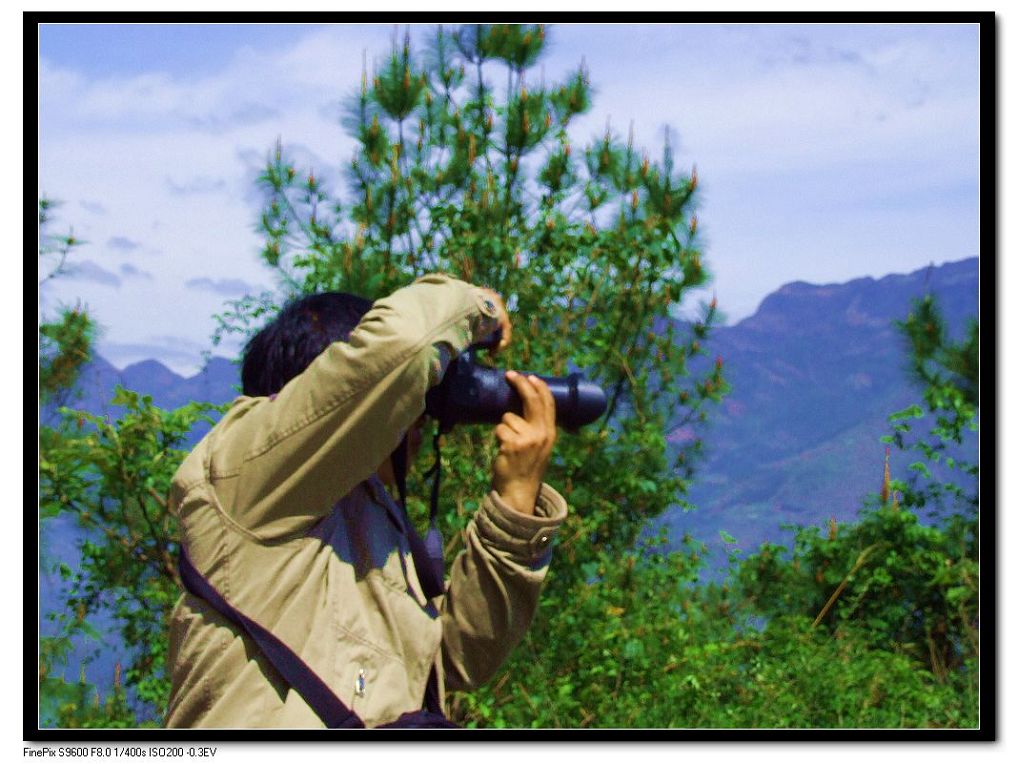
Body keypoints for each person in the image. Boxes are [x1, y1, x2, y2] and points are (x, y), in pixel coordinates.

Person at [164, 273, 568, 728]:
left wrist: (514, 506)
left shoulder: (366, 516)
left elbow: (456, 659)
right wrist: (479, 306)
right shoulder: (244, 471)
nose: (419, 415)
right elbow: (404, 343)